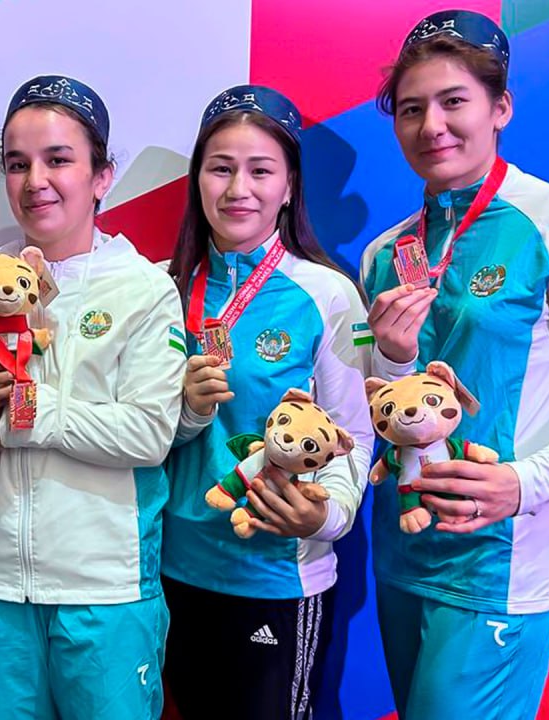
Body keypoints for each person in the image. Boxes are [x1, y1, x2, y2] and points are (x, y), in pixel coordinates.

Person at [360, 10, 549, 718]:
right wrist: (392, 359)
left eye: (453, 101)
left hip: (502, 566)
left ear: (501, 108)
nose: (431, 126)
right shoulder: (383, 254)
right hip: (401, 553)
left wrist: (523, 483)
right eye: (411, 109)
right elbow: (383, 412)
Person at [0, 75, 186, 719]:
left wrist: (13, 420)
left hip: (104, 587)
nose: (35, 181)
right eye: (18, 163)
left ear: (102, 176)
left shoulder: (144, 290)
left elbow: (147, 433)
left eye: (58, 160)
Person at [161, 84, 374, 720]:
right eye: (220, 168)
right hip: (173, 571)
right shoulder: (163, 288)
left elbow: (355, 434)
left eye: (260, 170)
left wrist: (326, 517)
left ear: (289, 187)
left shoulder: (327, 295)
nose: (238, 189)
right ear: (198, 179)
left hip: (277, 576)